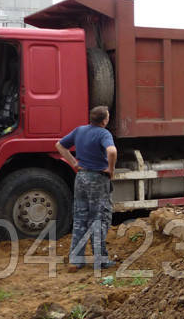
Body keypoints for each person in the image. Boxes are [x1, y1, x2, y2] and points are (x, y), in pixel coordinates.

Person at [55, 105, 117, 272]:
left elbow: (60, 145)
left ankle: (76, 260)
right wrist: (111, 169)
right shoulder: (104, 133)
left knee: (80, 218)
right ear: (104, 120)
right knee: (99, 218)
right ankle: (100, 260)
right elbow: (111, 151)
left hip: (81, 179)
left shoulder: (80, 130)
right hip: (97, 179)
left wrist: (74, 163)